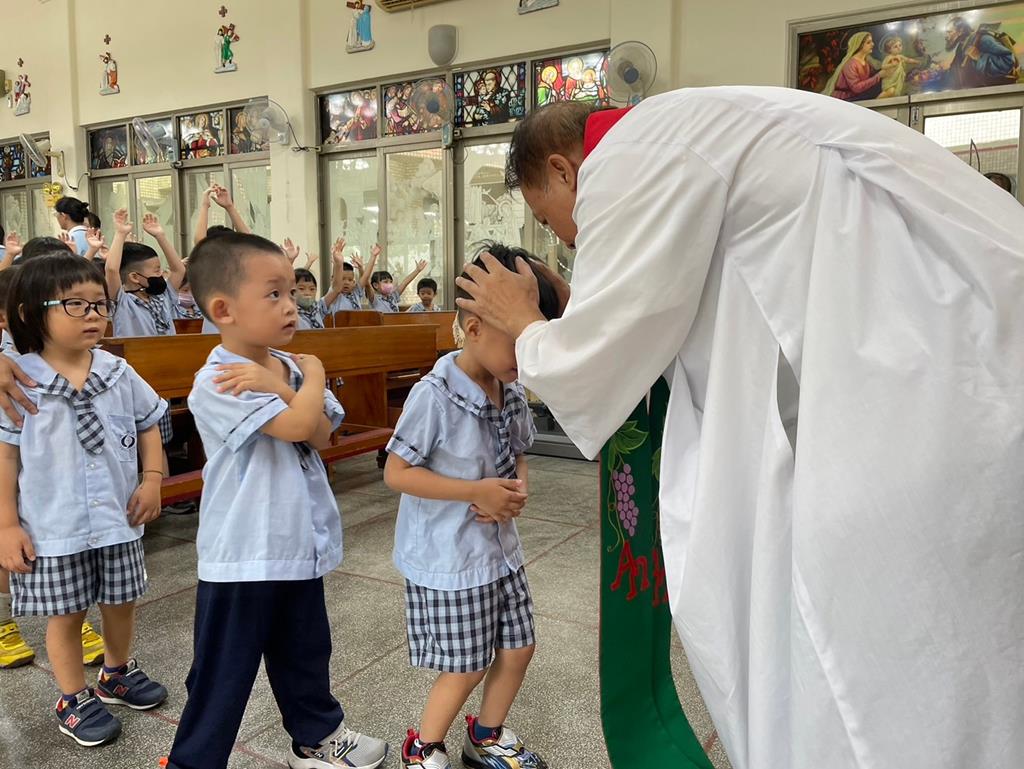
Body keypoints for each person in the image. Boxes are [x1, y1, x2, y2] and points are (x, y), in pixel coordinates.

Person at [455, 94, 1024, 769]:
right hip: (950, 371)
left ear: (564, 169)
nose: (568, 238)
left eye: (552, 217)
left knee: (870, 662)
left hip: (900, 414)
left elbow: (593, 364)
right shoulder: (687, 128)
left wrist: (524, 320)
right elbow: (650, 316)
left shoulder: (624, 159)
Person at [164, 232, 388, 769]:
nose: (290, 305)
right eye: (273, 294)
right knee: (223, 667)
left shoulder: (288, 367)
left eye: (291, 292)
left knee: (305, 649)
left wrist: (291, 385)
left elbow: (323, 435)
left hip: (296, 542)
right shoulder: (220, 379)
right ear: (224, 309)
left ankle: (317, 737)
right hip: (245, 551)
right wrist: (313, 377)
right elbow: (296, 427)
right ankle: (194, 761)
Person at [385, 244, 557, 769]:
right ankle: (423, 746)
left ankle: (485, 734)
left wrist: (517, 486)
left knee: (519, 647)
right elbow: (397, 472)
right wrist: (474, 491)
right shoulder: (433, 396)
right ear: (474, 327)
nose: (527, 353)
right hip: (451, 556)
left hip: (501, 552)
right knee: (467, 663)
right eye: (518, 339)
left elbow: (519, 452)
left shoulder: (511, 388)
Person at [0, 254, 168, 746]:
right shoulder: (18, 381)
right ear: (29, 313)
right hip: (55, 526)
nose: (93, 314)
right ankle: (72, 697)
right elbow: (6, 457)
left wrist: (153, 478)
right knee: (67, 614)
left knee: (121, 601)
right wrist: (7, 525)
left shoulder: (117, 371)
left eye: (99, 304)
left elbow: (148, 423)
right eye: (75, 304)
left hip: (117, 516)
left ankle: (116, 672)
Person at [105, 209, 185, 338]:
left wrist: (160, 236)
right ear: (134, 277)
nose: (161, 274)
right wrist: (120, 234)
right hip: (134, 352)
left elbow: (178, 270)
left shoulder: (163, 296)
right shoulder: (122, 301)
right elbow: (111, 270)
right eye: (156, 270)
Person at [822, 31, 895, 101]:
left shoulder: (866, 63)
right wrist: (879, 76)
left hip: (857, 96)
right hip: (846, 99)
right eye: (868, 42)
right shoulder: (851, 64)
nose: (872, 44)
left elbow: (872, 77)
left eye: (871, 42)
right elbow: (856, 88)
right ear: (860, 45)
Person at [365, 249, 429, 313]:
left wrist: (417, 271)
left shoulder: (393, 296)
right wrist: (373, 257)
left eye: (390, 281)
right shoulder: (374, 299)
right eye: (385, 282)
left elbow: (404, 283)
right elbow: (366, 282)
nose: (389, 284)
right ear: (375, 285)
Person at [325, 238, 375, 314]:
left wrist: (373, 256)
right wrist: (337, 262)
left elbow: (365, 277)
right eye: (343, 279)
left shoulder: (356, 293)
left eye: (350, 280)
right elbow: (336, 278)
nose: (346, 282)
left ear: (354, 282)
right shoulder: (334, 294)